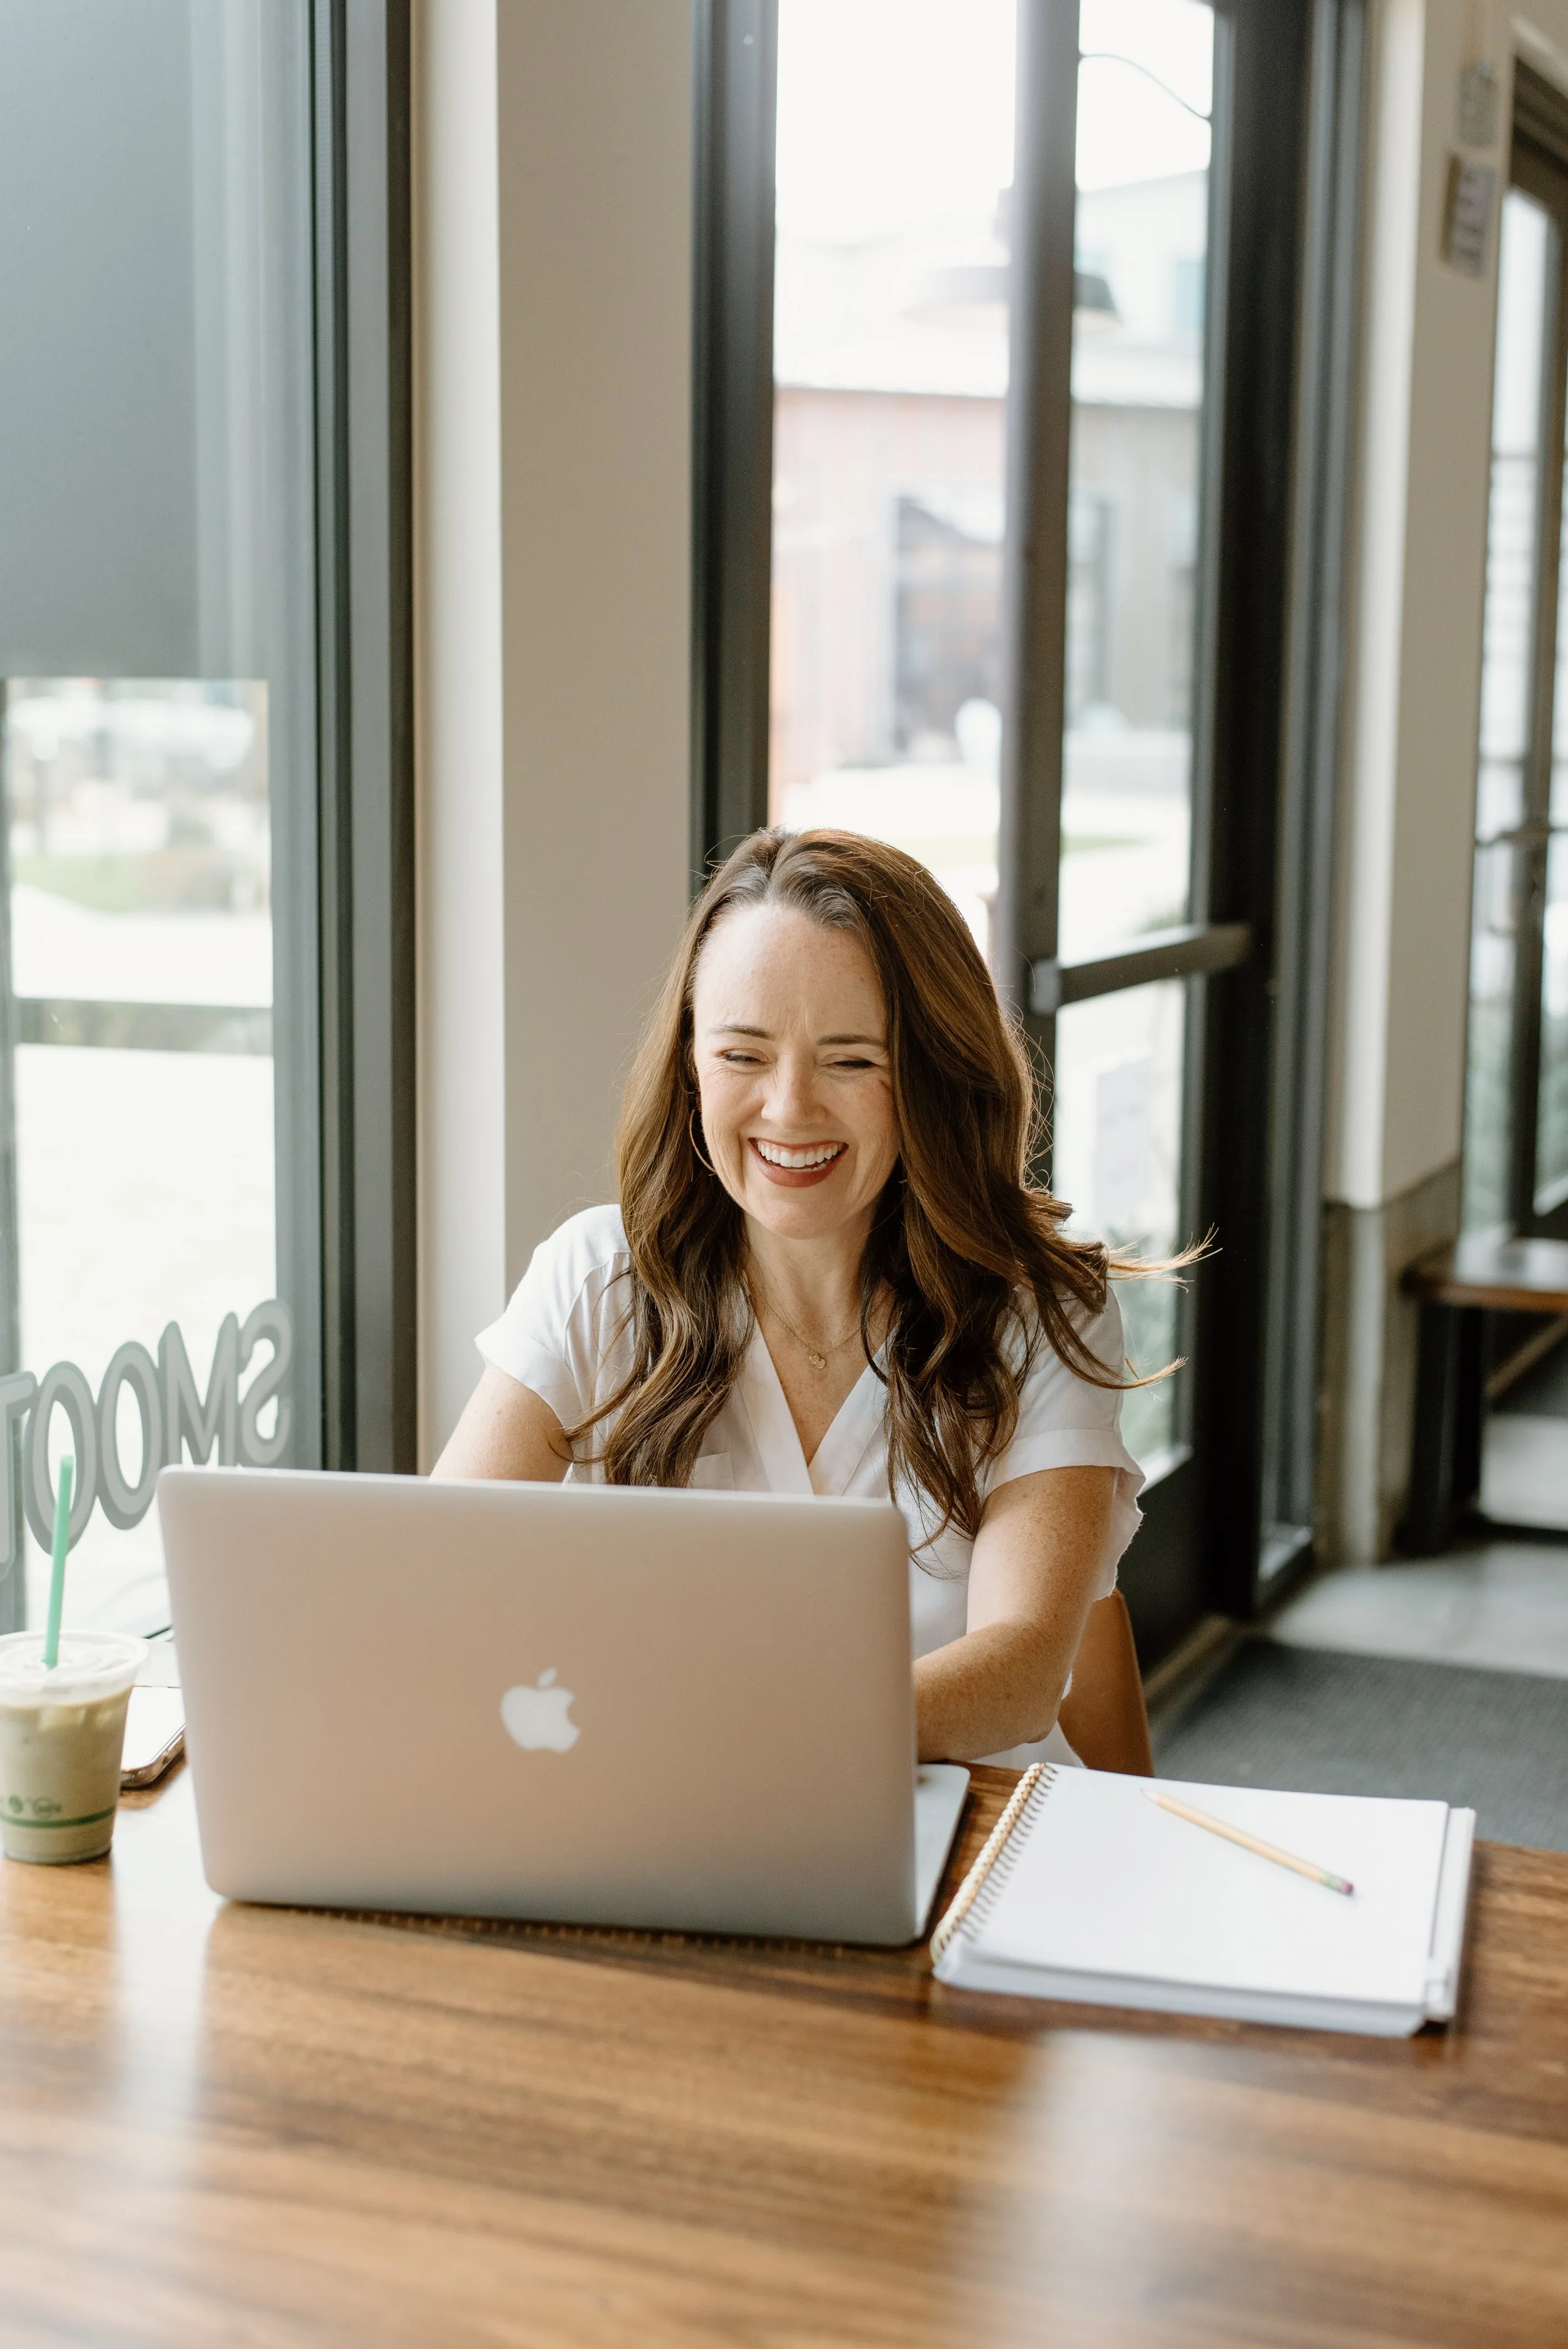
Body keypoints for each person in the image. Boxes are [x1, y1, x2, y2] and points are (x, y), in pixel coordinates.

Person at [435, 829, 1156, 1770]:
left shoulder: (1040, 1309)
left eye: (852, 1061)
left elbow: (1021, 1674)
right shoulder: (593, 1278)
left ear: (930, 1074)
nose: (788, 1109)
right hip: (670, 1821)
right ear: (691, 1067)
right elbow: (438, 1590)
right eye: (742, 1055)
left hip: (963, 1839)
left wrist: (734, 1741)